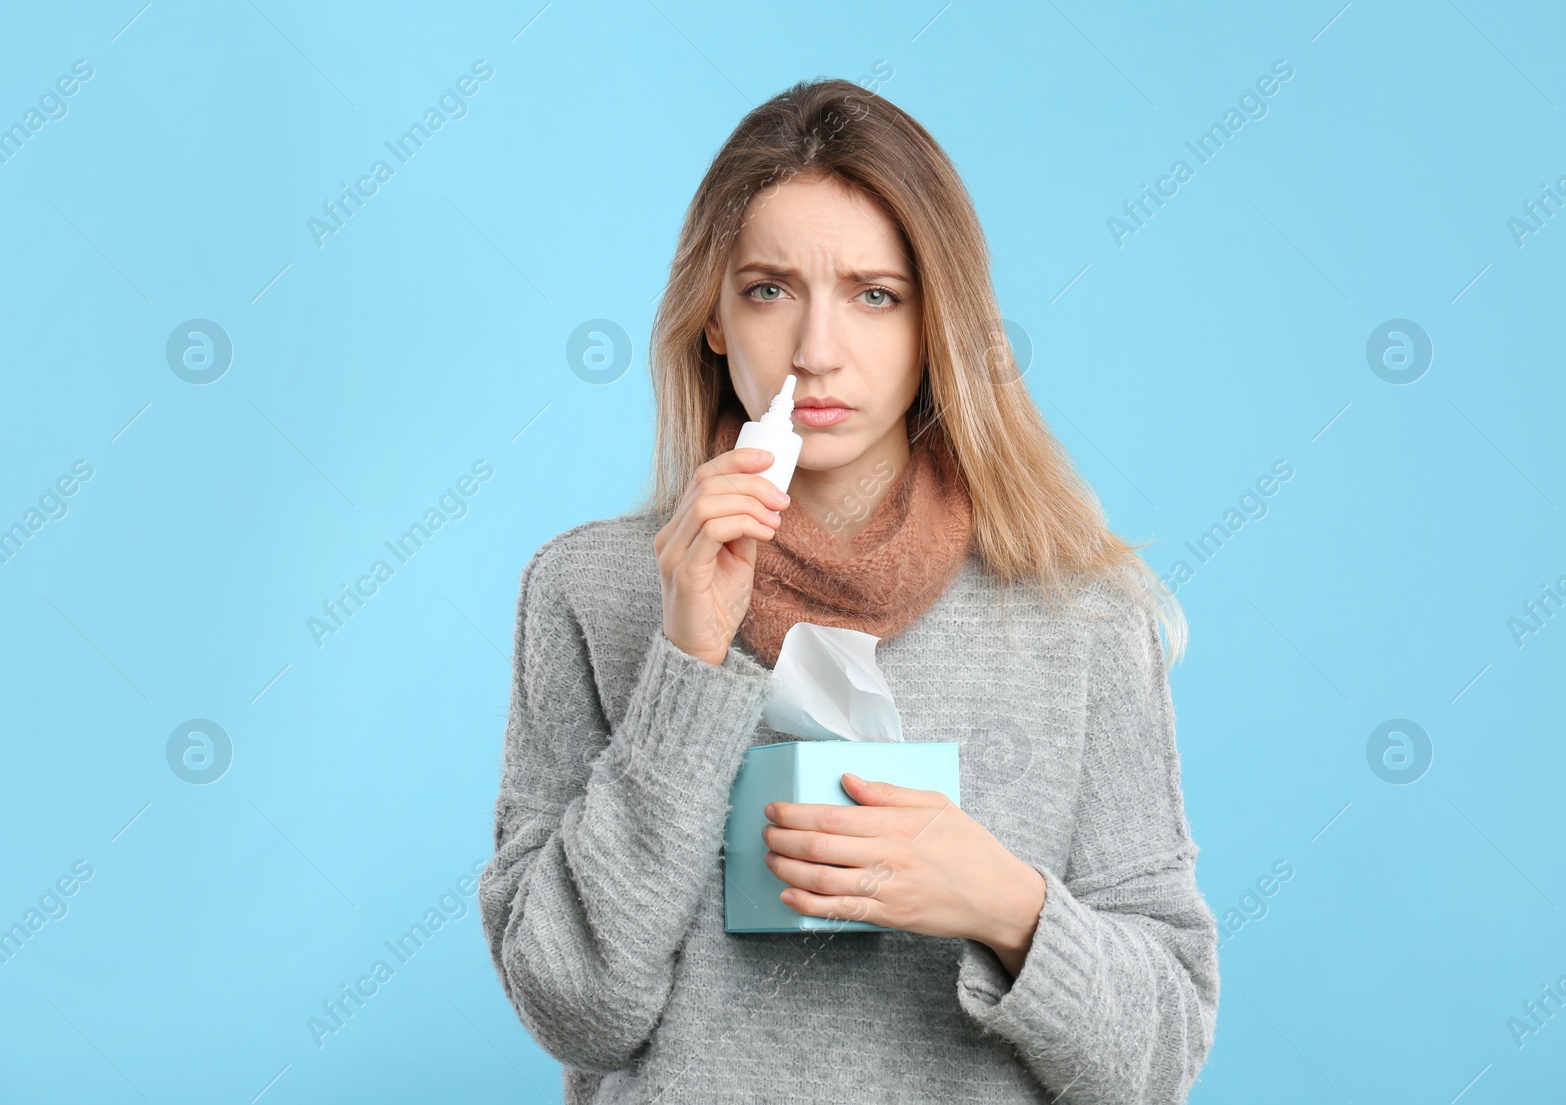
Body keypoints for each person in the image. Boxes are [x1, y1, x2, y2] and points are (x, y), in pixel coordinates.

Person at [479, 77, 1219, 1104]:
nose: (816, 351)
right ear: (712, 317)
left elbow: (1160, 1053)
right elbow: (577, 1008)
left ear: (935, 327)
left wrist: (1006, 906)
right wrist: (688, 660)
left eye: (876, 294)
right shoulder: (588, 590)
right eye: (770, 289)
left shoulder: (1077, 614)